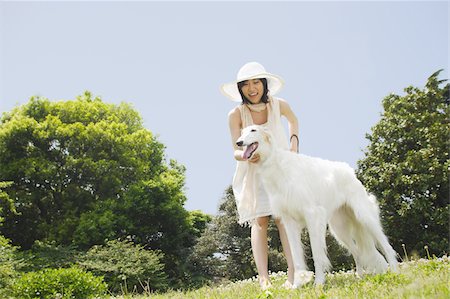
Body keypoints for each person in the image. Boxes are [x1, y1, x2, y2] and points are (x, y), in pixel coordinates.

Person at [221, 62, 299, 290]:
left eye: (256, 82)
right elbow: (235, 150)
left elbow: (294, 121)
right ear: (240, 89)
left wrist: (294, 145)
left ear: (264, 84)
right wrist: (246, 157)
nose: (251, 88)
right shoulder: (236, 114)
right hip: (254, 173)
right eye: (245, 84)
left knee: (283, 219)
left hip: (280, 169)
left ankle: (293, 273)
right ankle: (263, 279)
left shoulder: (279, 105)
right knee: (260, 220)